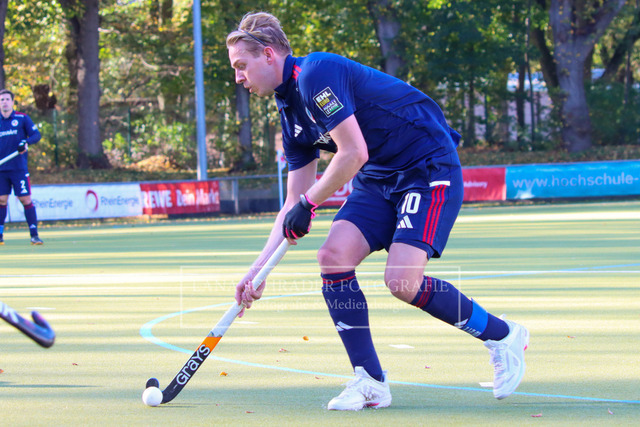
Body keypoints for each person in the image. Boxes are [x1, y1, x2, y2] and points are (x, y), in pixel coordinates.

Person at [226, 12, 529, 411]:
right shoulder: (290, 115)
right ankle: (370, 381)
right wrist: (258, 270)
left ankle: (502, 335)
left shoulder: (316, 73)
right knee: (333, 256)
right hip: (379, 176)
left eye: (241, 66)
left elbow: (352, 152)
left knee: (402, 281)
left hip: (426, 166)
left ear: (268, 55)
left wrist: (310, 203)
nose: (238, 77)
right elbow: (292, 203)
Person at [0, 88, 43, 245]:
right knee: (1, 200)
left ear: (12, 102)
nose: (4, 102)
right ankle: (0, 235)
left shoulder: (22, 118)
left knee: (25, 199)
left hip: (18, 168)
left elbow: (36, 135)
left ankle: (34, 235)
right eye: (2, 100)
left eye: (7, 99)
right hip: (1, 170)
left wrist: (26, 142)